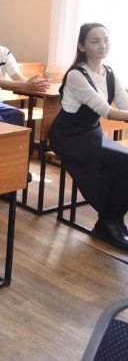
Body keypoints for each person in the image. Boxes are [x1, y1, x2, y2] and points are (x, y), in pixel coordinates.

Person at [49, 23, 128, 250]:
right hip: (69, 136)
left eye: (106, 40)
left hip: (92, 133)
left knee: (122, 164)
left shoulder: (110, 72)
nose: (102, 45)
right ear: (82, 46)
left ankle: (113, 220)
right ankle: (108, 222)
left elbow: (123, 103)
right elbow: (107, 111)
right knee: (123, 163)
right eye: (95, 41)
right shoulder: (77, 74)